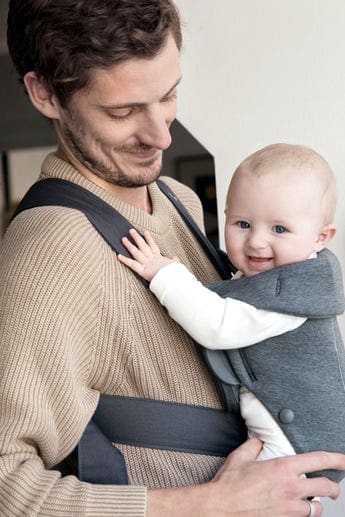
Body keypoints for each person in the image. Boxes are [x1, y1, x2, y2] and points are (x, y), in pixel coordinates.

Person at [2, 1, 345, 515]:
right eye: (122, 112)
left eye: (169, 95)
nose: (162, 135)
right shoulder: (51, 250)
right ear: (45, 94)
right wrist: (207, 504)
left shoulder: (175, 197)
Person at [118, 142, 345, 474]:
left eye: (279, 229)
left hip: (296, 442)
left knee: (251, 496)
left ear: (320, 237)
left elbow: (218, 325)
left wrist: (165, 275)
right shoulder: (284, 272)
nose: (256, 241)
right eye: (242, 224)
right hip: (286, 433)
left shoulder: (290, 293)